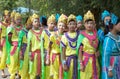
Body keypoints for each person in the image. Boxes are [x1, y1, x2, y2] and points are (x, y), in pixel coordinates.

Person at [77, 10, 99, 79]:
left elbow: (98, 48)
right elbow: (79, 51)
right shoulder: (81, 36)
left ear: (94, 24)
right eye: (87, 23)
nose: (89, 25)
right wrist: (81, 64)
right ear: (84, 24)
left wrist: (98, 52)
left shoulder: (96, 35)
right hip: (85, 61)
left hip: (95, 61)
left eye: (91, 23)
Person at [48, 14, 67, 79]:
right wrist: (48, 57)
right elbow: (49, 47)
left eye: (63, 26)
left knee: (62, 74)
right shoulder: (53, 35)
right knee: (55, 74)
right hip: (54, 56)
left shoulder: (66, 36)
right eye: (60, 25)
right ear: (57, 25)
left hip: (63, 57)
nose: (61, 27)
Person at [102, 13, 120, 79]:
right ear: (114, 25)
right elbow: (106, 54)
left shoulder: (118, 37)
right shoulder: (108, 39)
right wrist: (109, 69)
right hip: (111, 66)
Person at [61, 14, 78, 79]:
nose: (72, 25)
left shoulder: (79, 35)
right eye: (70, 24)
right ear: (67, 25)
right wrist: (64, 64)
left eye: (73, 24)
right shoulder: (64, 36)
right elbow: (63, 52)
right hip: (68, 60)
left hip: (77, 60)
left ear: (76, 25)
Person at [6, 12, 23, 79]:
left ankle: (19, 74)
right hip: (14, 48)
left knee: (20, 61)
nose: (19, 21)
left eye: (20, 19)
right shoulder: (11, 28)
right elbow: (9, 38)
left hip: (20, 47)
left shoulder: (21, 27)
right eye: (17, 19)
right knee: (13, 62)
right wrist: (12, 44)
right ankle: (12, 76)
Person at [27, 13, 43, 79]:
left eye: (38, 21)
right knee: (33, 71)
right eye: (35, 21)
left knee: (41, 71)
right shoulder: (30, 32)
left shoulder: (43, 31)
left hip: (42, 54)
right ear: (32, 23)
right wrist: (29, 55)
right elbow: (29, 45)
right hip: (34, 54)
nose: (37, 23)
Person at [41, 14, 56, 79]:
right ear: (47, 23)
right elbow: (42, 44)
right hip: (46, 52)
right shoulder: (44, 32)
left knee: (53, 69)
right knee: (47, 68)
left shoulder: (56, 33)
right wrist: (44, 55)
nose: (52, 25)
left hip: (54, 52)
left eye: (54, 24)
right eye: (51, 23)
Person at [0, 10, 11, 78]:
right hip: (3, 41)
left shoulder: (10, 24)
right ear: (4, 16)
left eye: (10, 15)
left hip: (9, 41)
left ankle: (11, 70)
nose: (9, 17)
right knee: (3, 57)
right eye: (8, 15)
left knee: (10, 56)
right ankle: (2, 71)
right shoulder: (1, 24)